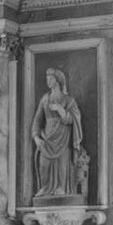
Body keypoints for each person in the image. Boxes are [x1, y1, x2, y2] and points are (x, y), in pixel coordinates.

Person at [31, 68, 83, 198]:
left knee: (62, 163)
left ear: (58, 81)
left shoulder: (69, 100)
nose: (48, 81)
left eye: (51, 78)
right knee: (44, 164)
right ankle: (45, 187)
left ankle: (61, 187)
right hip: (48, 136)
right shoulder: (45, 99)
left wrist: (60, 109)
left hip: (63, 137)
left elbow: (74, 119)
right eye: (47, 78)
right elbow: (37, 120)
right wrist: (36, 137)